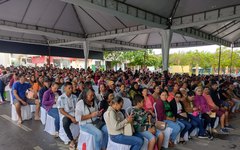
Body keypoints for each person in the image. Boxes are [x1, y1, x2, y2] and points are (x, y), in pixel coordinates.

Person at [57, 82, 78, 149]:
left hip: (74, 114)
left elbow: (77, 108)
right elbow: (61, 111)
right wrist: (71, 117)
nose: (71, 89)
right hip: (66, 115)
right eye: (69, 88)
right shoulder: (61, 98)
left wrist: (77, 116)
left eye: (71, 88)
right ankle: (72, 140)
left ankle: (78, 137)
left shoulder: (74, 97)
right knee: (65, 123)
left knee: (83, 120)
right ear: (65, 88)